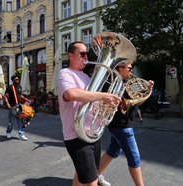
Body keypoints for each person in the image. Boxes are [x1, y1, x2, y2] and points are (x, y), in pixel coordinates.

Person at [57, 41, 121, 186]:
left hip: (92, 134)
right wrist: (102, 96)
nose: (86, 56)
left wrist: (107, 103)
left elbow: (92, 101)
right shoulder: (65, 73)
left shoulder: (86, 77)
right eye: (82, 54)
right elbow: (71, 94)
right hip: (76, 135)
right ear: (71, 56)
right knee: (92, 181)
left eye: (87, 53)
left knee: (81, 176)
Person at [97, 63, 154, 186]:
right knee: (134, 158)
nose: (131, 70)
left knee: (113, 151)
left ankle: (97, 175)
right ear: (121, 69)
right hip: (120, 125)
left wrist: (147, 90)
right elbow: (106, 103)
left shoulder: (128, 83)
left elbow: (137, 102)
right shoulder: (110, 83)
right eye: (129, 68)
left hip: (123, 123)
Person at [5, 75, 30, 141]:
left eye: (18, 79)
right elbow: (6, 96)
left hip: (19, 106)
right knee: (11, 121)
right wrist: (8, 105)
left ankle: (21, 134)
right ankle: (8, 132)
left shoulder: (19, 87)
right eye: (16, 79)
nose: (18, 80)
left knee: (20, 121)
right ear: (13, 80)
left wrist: (25, 99)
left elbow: (20, 95)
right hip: (13, 106)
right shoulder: (9, 87)